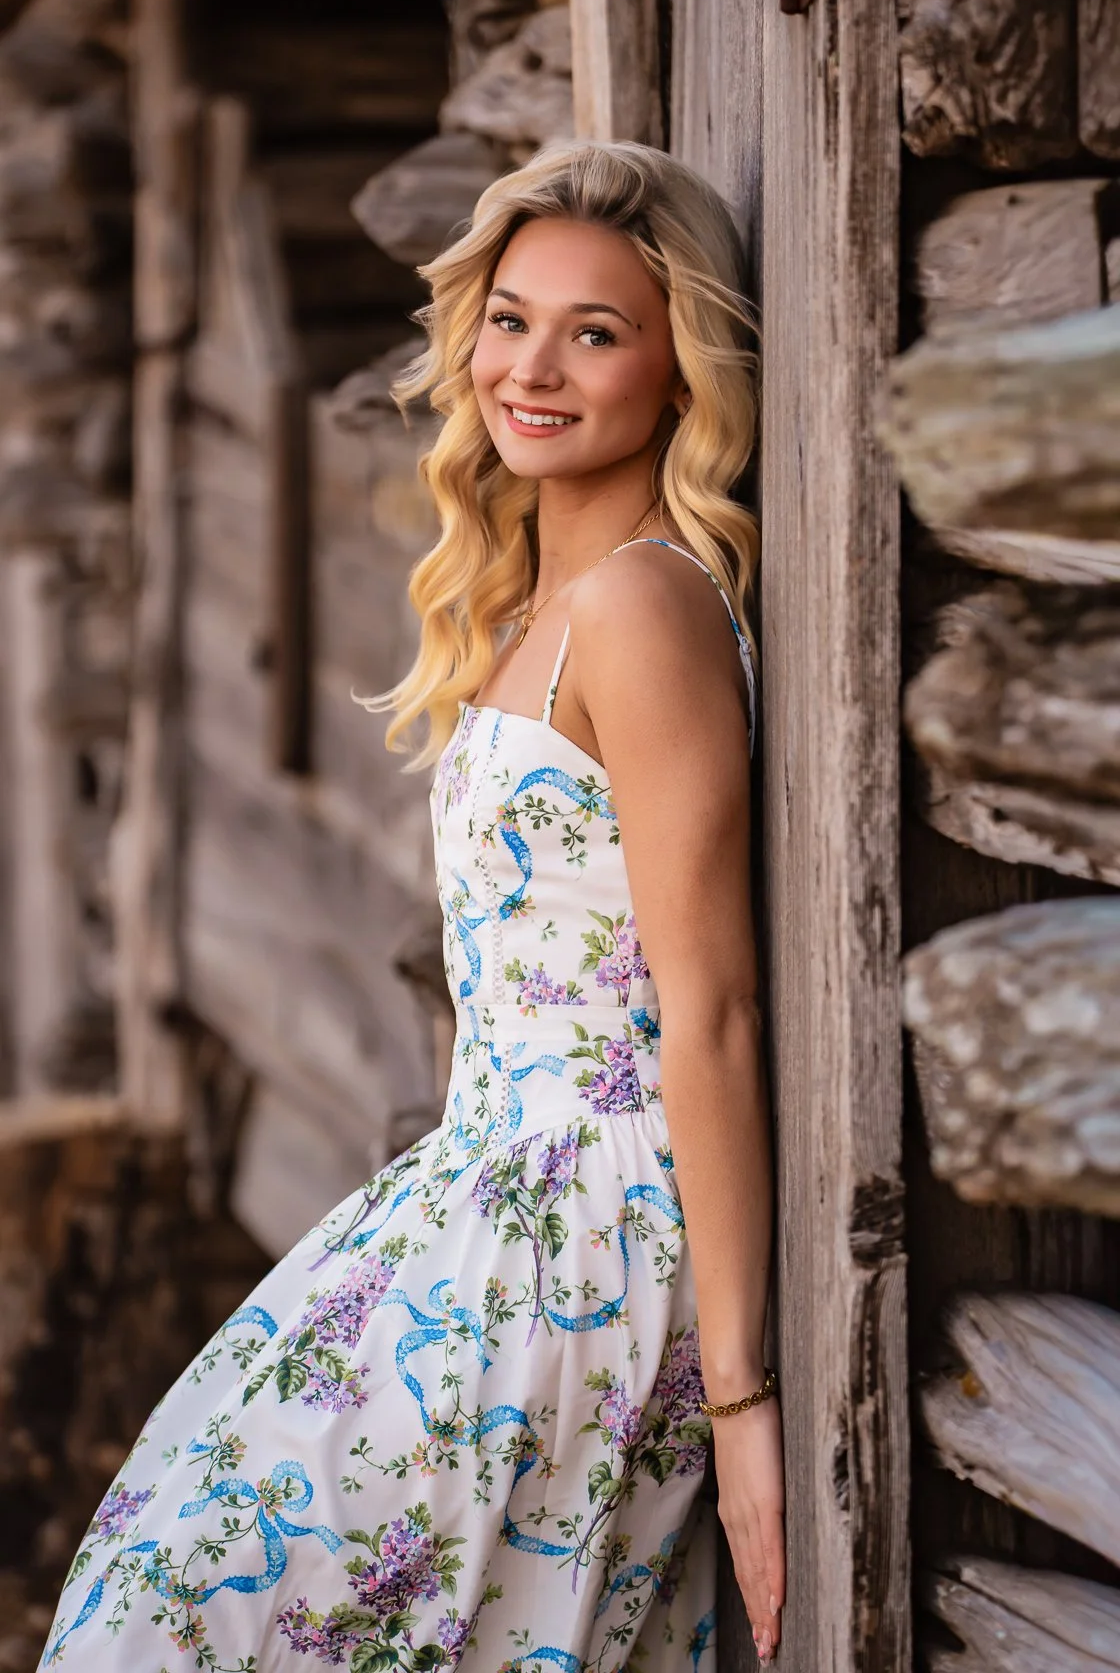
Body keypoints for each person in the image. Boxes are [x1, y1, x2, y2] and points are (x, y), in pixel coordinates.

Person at [38, 139, 784, 1673]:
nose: (536, 366)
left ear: (677, 366)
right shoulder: (532, 615)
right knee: (160, 1594)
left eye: (597, 331)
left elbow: (709, 1008)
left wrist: (745, 1402)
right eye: (512, 318)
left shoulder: (643, 608)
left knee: (195, 1620)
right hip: (479, 1194)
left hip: (579, 1235)